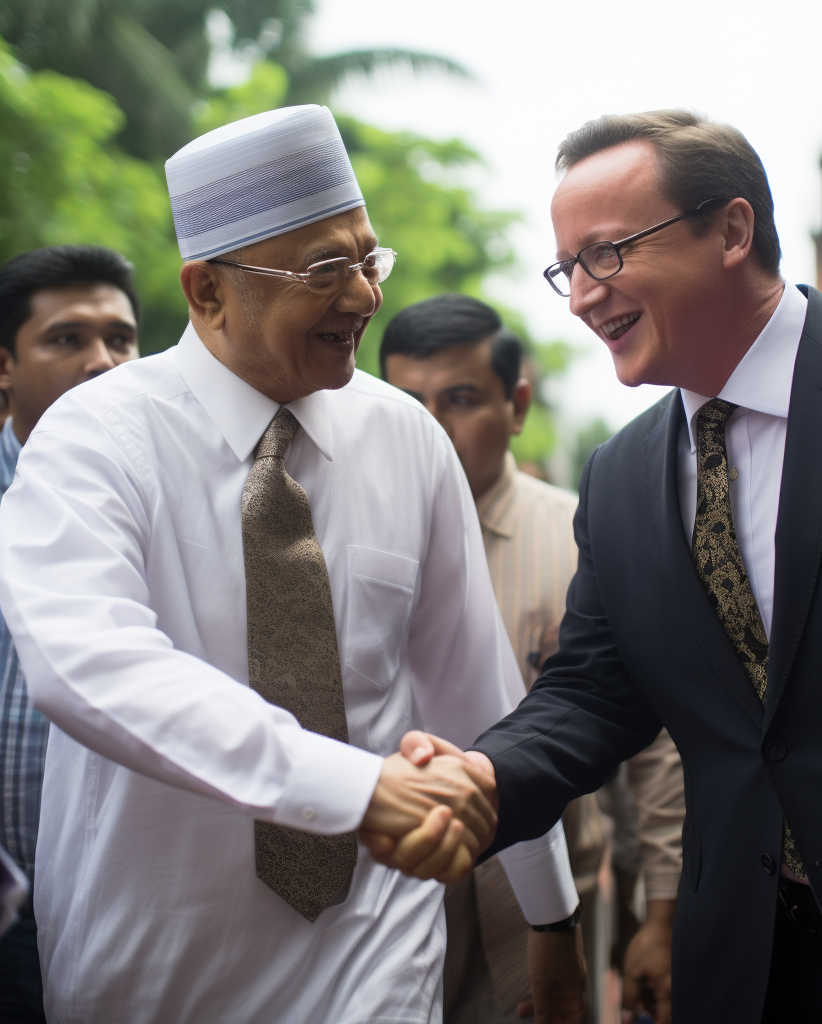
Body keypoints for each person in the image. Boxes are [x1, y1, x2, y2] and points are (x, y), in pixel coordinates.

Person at [394, 109, 822, 1024]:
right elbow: (594, 693)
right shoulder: (619, 477)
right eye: (566, 269)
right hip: (741, 965)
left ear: (731, 230)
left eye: (606, 255)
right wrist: (486, 780)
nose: (579, 298)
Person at [0, 106, 583, 1024]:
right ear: (206, 292)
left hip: (377, 948)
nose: (363, 298)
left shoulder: (405, 439)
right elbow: (89, 662)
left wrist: (552, 915)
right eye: (324, 270)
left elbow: (477, 691)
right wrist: (353, 788)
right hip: (149, 961)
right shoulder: (96, 437)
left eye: (367, 260)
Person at [380, 294, 685, 1024]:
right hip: (395, 919)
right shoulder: (341, 543)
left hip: (552, 916)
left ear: (516, 406)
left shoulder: (587, 537)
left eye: (459, 399)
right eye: (407, 401)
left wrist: (663, 917)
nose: (431, 426)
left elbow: (651, 746)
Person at [0, 244, 142, 1023]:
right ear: (4, 365)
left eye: (120, 339)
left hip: (126, 906)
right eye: (66, 339)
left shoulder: (194, 504)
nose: (103, 363)